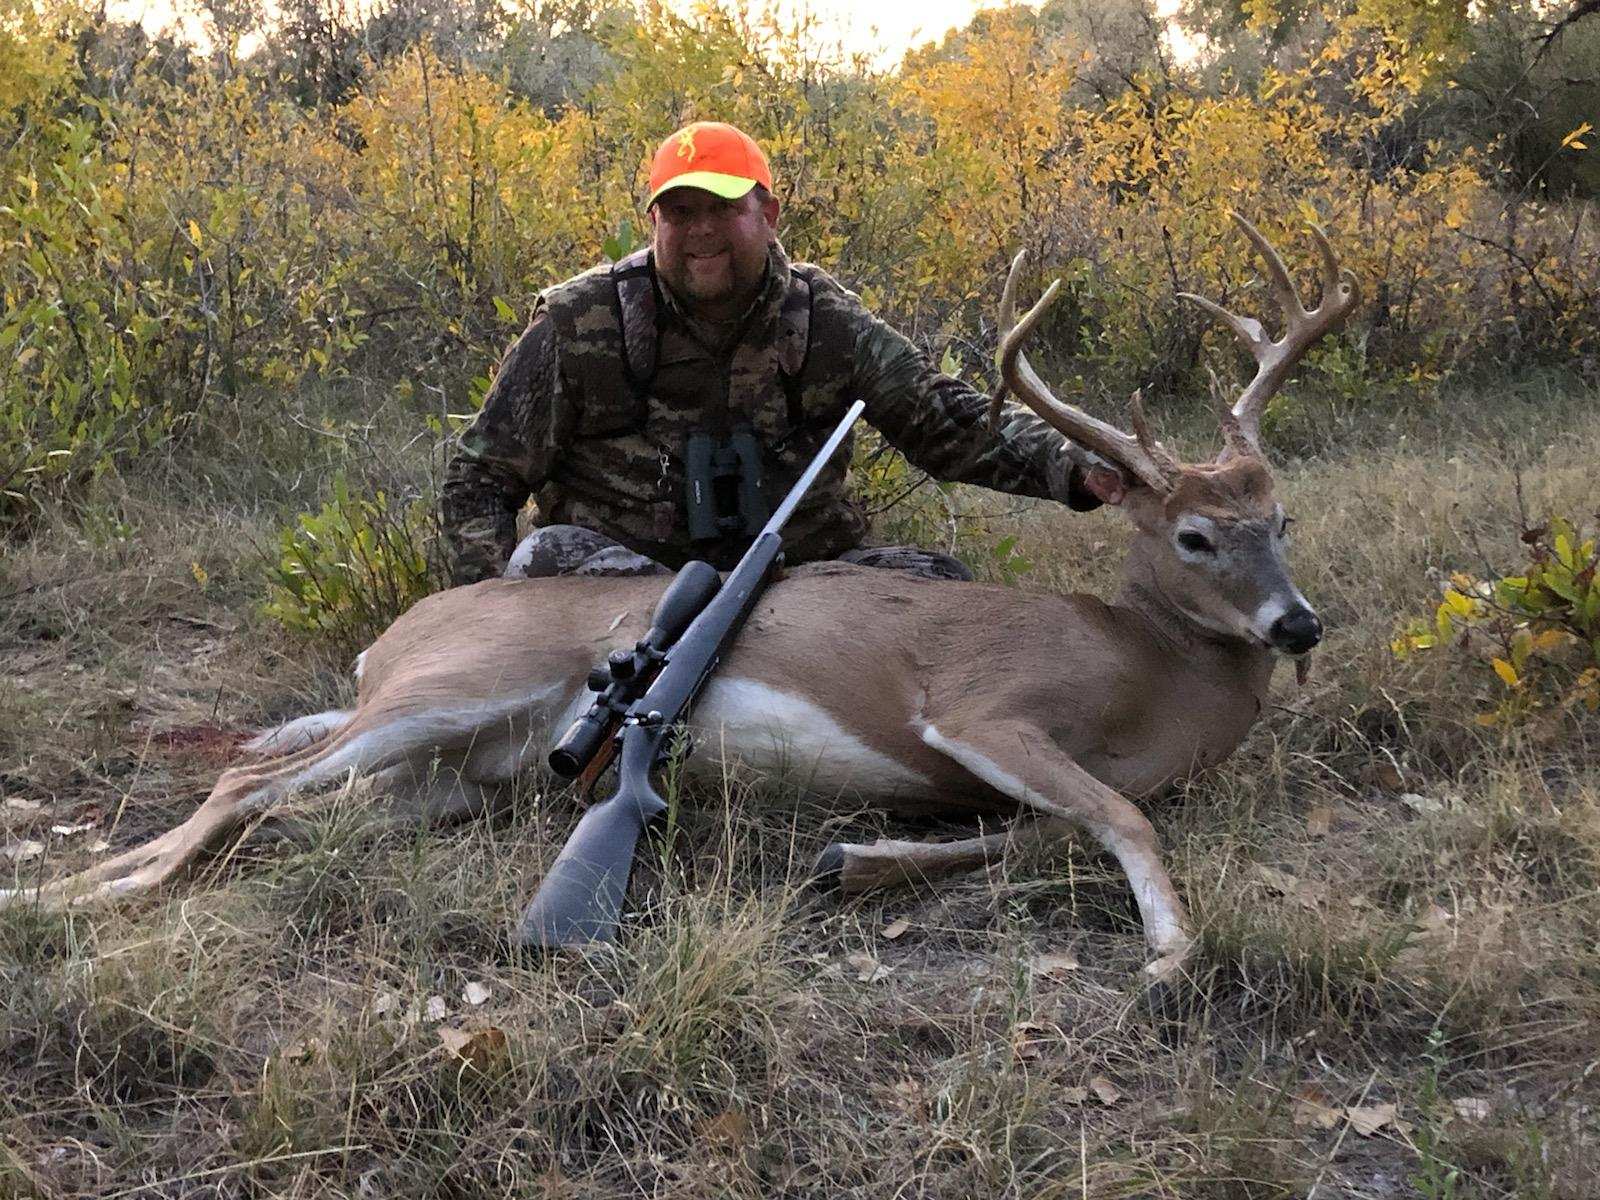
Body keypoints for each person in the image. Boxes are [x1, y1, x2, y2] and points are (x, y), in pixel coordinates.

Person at [441, 120, 1103, 585]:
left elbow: (950, 426)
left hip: (797, 585)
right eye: (679, 212)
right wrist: (489, 609)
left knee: (938, 585)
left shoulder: (829, 321)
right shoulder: (578, 321)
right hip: (622, 593)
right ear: (654, 223)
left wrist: (1081, 466)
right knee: (547, 558)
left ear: (768, 213)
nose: (700, 230)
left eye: (723, 208)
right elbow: (478, 480)